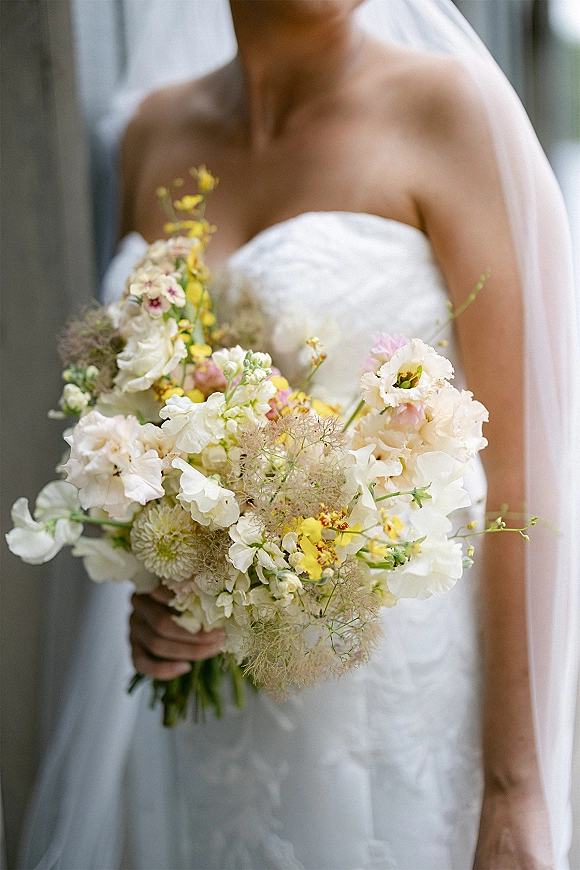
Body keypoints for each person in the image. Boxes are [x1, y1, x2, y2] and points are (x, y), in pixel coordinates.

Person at [21, 1, 579, 869]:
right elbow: (146, 424)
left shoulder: (453, 110)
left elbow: (527, 472)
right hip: (225, 739)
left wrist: (518, 791)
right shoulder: (149, 134)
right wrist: (165, 589)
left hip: (404, 717)